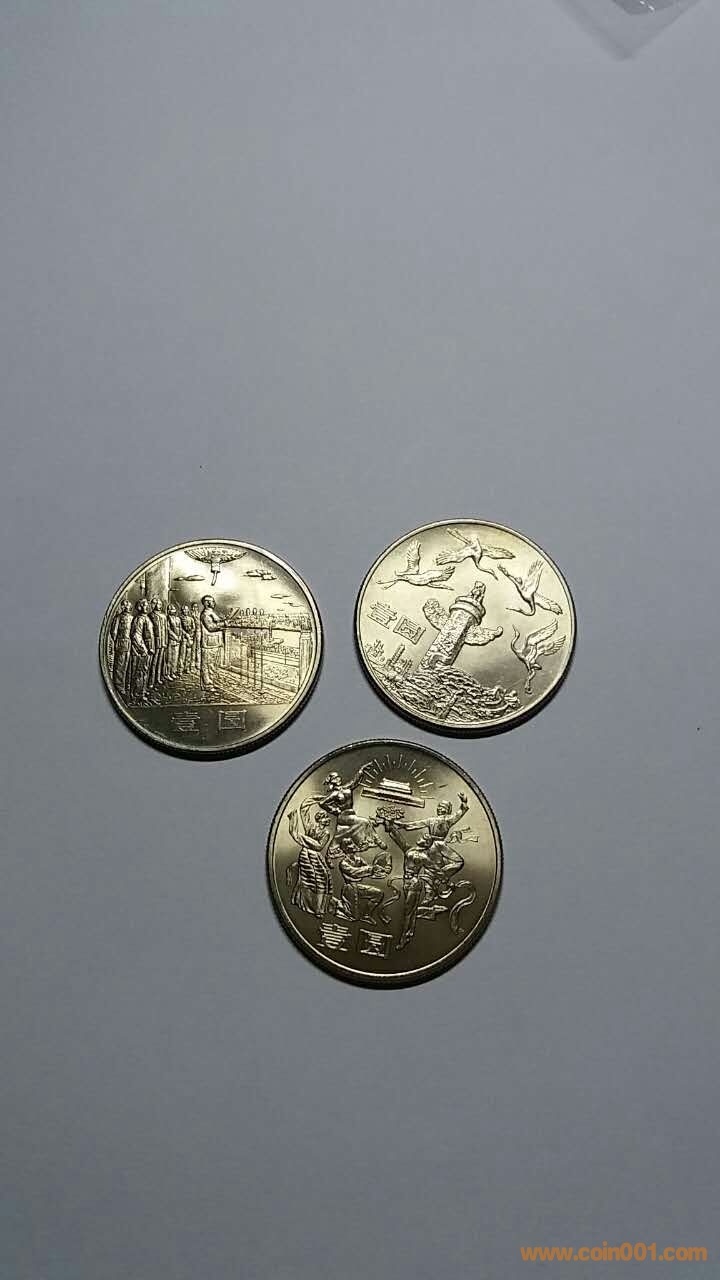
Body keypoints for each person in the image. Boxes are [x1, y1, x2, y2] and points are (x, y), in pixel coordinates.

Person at [286, 802, 333, 916]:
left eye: (327, 817)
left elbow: (319, 846)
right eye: (325, 817)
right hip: (306, 856)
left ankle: (319, 908)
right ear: (319, 819)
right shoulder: (311, 827)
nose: (327, 819)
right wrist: (316, 800)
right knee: (312, 880)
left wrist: (303, 838)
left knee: (324, 879)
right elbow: (304, 811)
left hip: (316, 857)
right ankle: (316, 909)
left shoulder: (326, 833)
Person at [128, 599, 155, 703]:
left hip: (147, 650)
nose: (147, 607)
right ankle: (137, 695)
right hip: (140, 651)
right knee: (139, 672)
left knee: (144, 671)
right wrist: (144, 650)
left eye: (147, 605)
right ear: (139, 607)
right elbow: (136, 635)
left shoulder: (146, 618)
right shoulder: (139, 619)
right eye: (144, 605)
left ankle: (142, 691)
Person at [199, 594, 226, 691]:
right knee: (207, 664)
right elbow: (211, 627)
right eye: (212, 601)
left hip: (214, 643)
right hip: (208, 644)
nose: (214, 603)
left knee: (213, 665)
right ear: (206, 603)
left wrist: (223, 622)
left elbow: (217, 623)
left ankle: (212, 682)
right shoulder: (205, 614)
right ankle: (207, 684)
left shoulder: (212, 613)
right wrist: (224, 624)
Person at [110, 599, 133, 698]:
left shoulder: (131, 618)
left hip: (130, 643)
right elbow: (114, 632)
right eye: (125, 605)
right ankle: (119, 686)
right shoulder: (118, 618)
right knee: (120, 666)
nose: (127, 607)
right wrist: (117, 641)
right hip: (121, 642)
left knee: (128, 665)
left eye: (128, 605)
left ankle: (127, 685)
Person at [148, 597, 168, 688]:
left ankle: (158, 678)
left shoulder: (163, 616)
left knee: (160, 662)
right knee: (153, 662)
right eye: (157, 604)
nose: (158, 606)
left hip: (163, 642)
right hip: (155, 642)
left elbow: (165, 630)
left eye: (160, 604)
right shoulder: (151, 615)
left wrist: (166, 641)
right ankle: (151, 681)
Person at [166, 603, 182, 679]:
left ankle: (173, 672)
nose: (173, 611)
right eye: (171, 609)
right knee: (169, 658)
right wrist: (175, 637)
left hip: (177, 641)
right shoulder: (168, 619)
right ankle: (168, 673)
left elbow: (180, 628)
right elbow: (168, 629)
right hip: (171, 640)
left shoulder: (178, 619)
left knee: (175, 658)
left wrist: (179, 636)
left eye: (174, 609)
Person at [179, 604, 195, 674]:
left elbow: (193, 628)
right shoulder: (179, 618)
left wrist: (191, 634)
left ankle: (187, 668)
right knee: (182, 655)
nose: (185, 611)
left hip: (190, 638)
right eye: (184, 609)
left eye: (186, 609)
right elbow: (180, 628)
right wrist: (186, 634)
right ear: (182, 611)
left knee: (188, 654)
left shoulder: (191, 619)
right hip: (183, 639)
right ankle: (180, 670)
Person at [191, 601, 202, 670]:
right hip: (193, 633)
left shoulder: (199, 615)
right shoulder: (191, 614)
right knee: (193, 648)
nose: (194, 608)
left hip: (198, 632)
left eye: (196, 607)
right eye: (193, 607)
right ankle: (192, 663)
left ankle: (198, 663)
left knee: (198, 648)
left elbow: (200, 623)